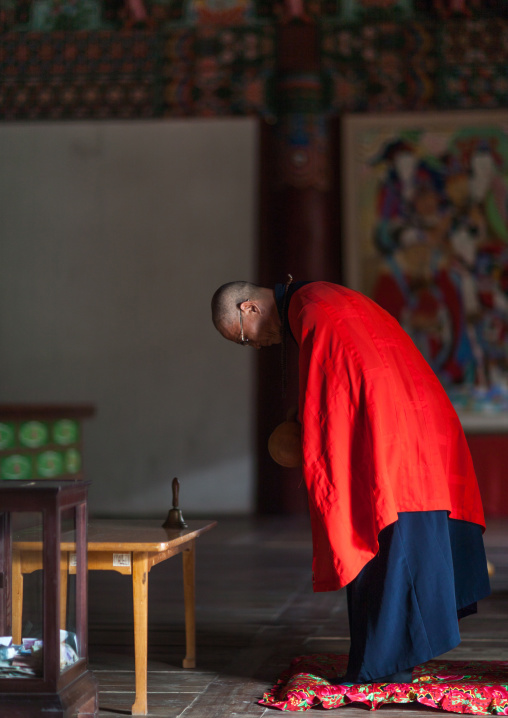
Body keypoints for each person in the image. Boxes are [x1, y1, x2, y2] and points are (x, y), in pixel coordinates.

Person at [211, 279, 491, 685]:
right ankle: (389, 661)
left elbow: (339, 390)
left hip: (392, 434)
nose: (253, 346)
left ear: (249, 308)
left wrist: (309, 429)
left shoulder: (313, 311)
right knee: (402, 540)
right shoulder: (323, 296)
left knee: (385, 537)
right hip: (415, 421)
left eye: (242, 338)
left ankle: (388, 668)